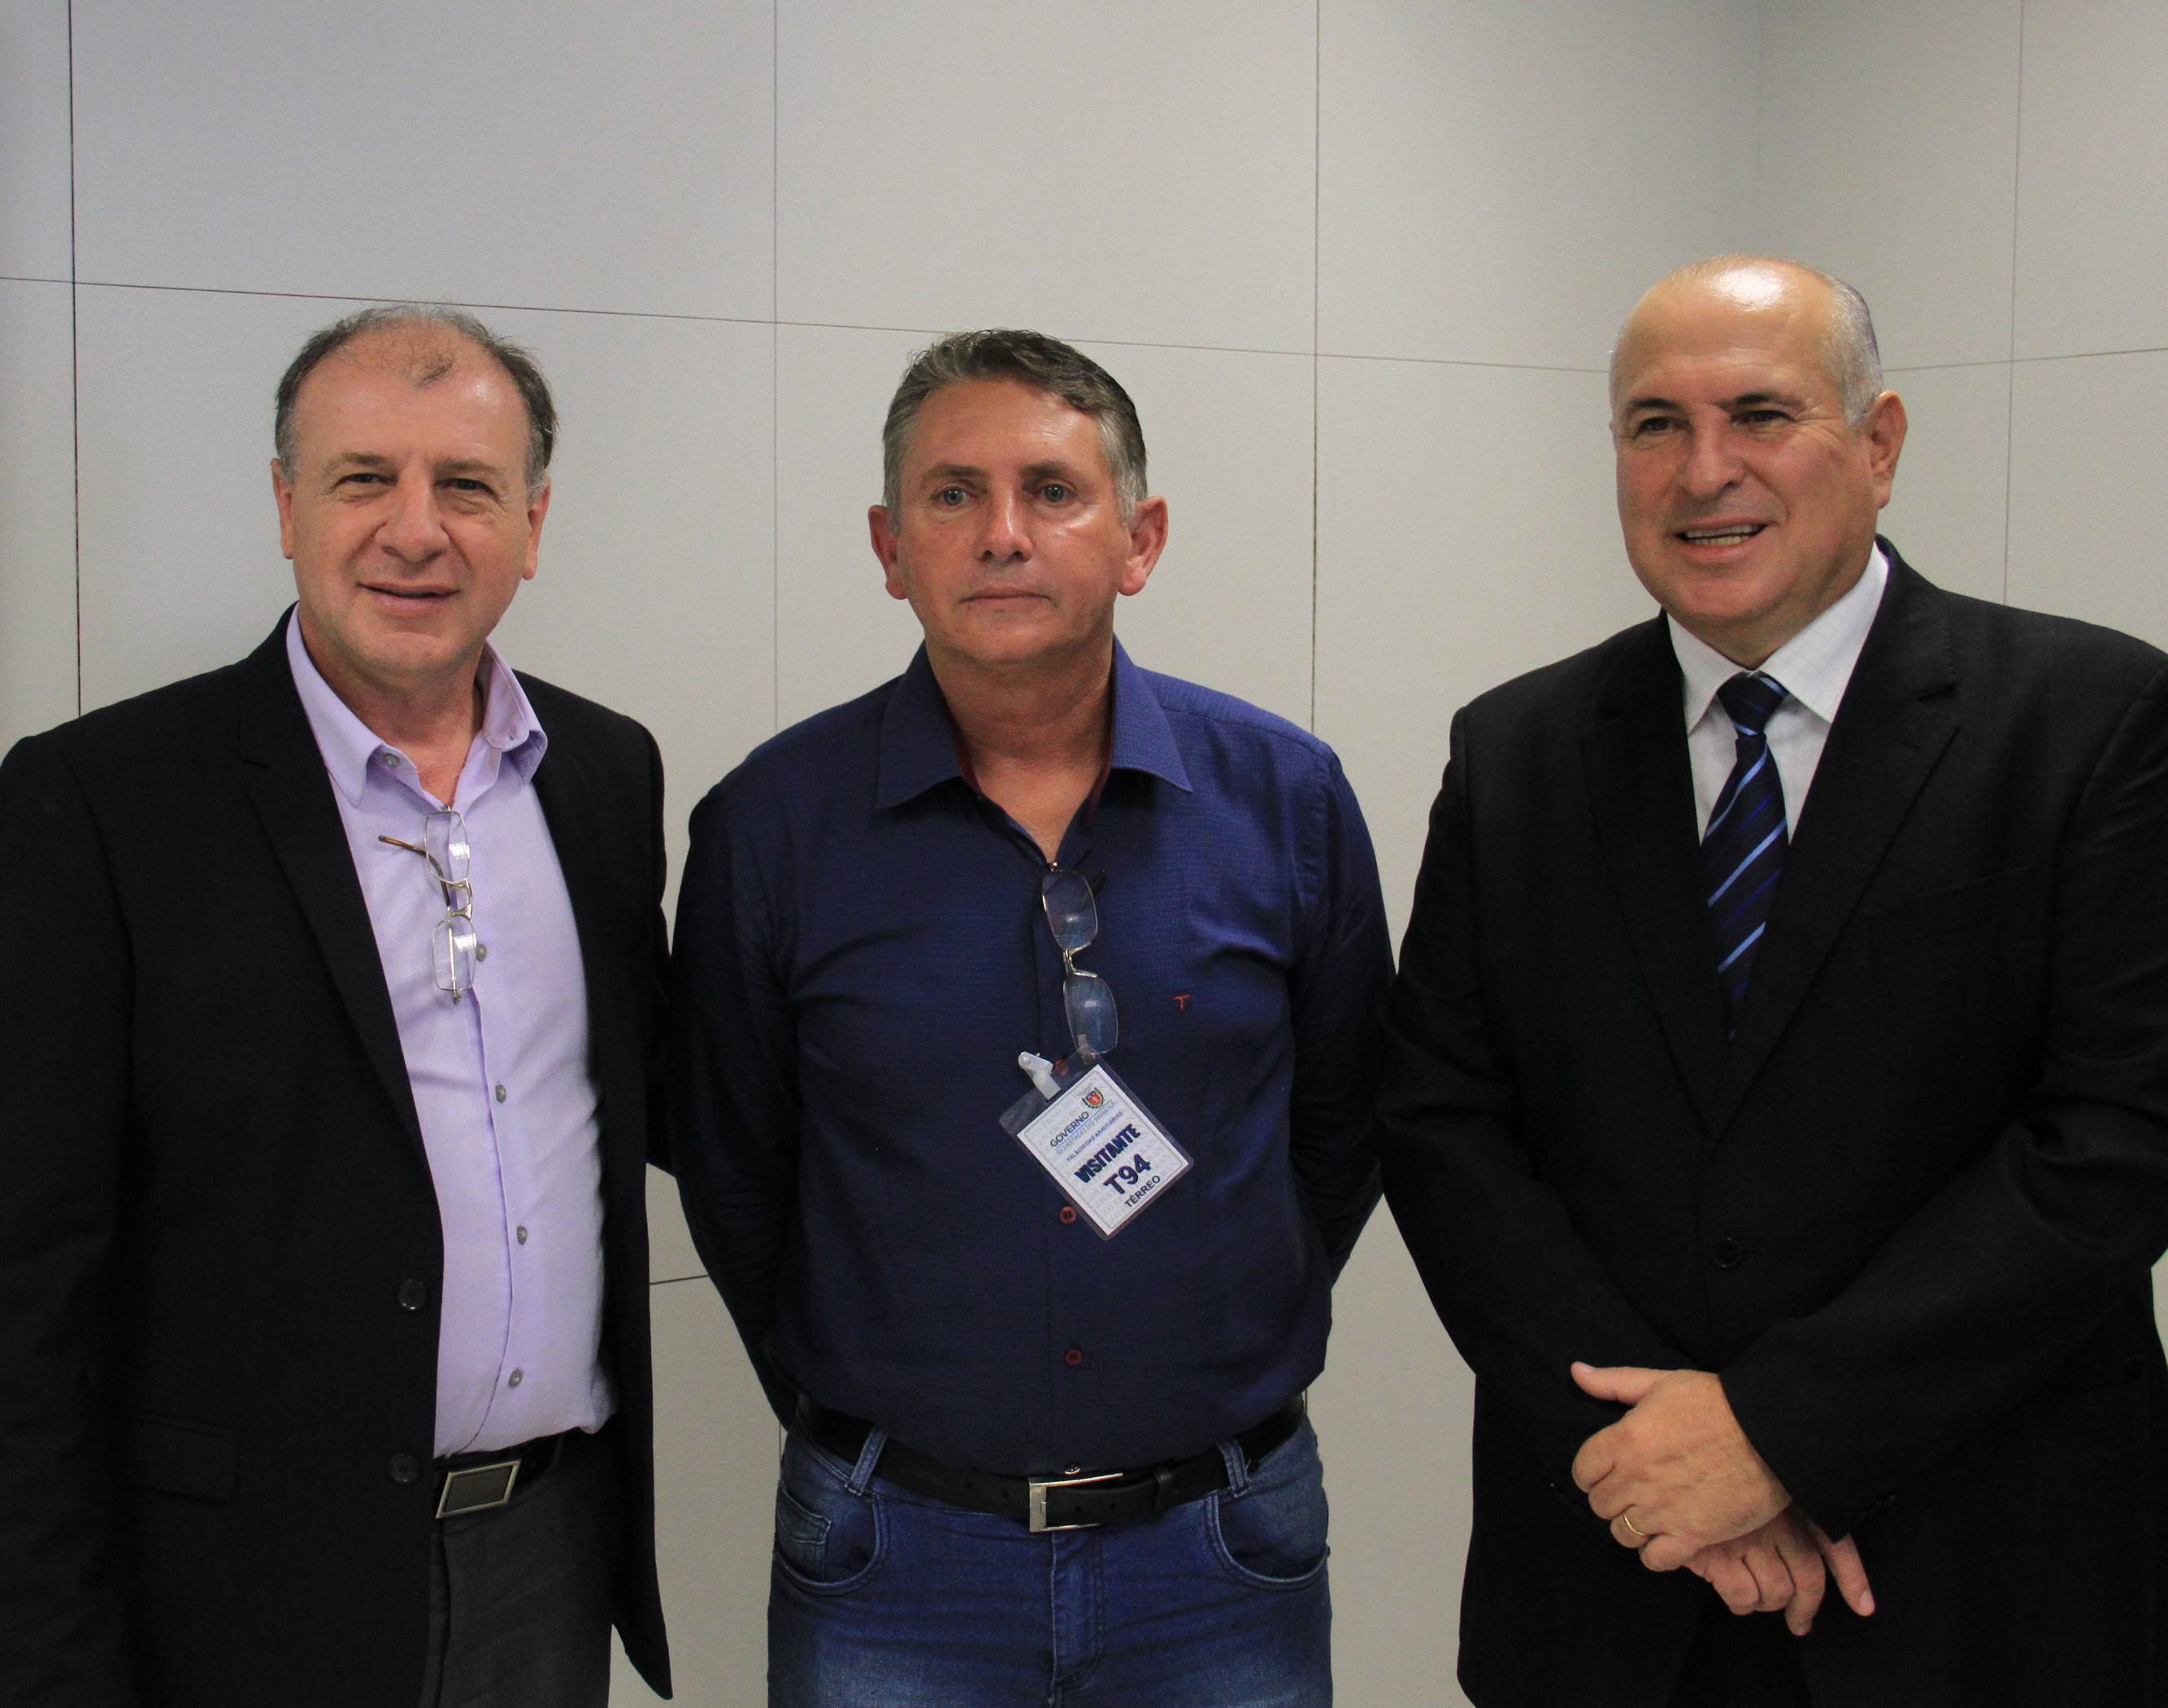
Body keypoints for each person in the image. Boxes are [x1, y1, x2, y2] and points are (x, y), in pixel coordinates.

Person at [1378, 254, 2168, 1707]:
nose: (1705, 471)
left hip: (1974, 1580)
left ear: (1880, 443)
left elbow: (2118, 1139)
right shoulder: (1515, 753)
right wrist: (1651, 1458)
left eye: (1760, 414)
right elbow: (1440, 1126)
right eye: (1655, 424)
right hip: (1617, 1580)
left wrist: (1780, 1432)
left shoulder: (2095, 720)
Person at [671, 328, 1390, 1706]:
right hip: (892, 1557)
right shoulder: (771, 824)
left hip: (1221, 1547)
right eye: (953, 495)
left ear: (1140, 537)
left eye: (1052, 491)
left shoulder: (1288, 800)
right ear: (890, 546)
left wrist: (1211, 1327)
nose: (1003, 533)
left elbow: (1345, 1129)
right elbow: (736, 1168)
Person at [0, 306, 672, 1707]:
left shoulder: (606, 776)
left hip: (551, 1552)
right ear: (286, 504)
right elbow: (31, 1284)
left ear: (534, 523)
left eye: (467, 484)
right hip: (245, 1584)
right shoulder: (105, 800)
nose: (414, 530)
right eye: (365, 477)